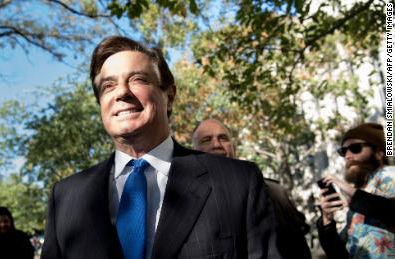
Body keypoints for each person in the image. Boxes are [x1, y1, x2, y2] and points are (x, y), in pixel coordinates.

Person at [42, 36, 282, 259]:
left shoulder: (237, 182)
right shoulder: (66, 198)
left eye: (137, 79)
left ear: (169, 95)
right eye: (108, 86)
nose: (122, 93)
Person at [192, 118, 312, 259]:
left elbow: (298, 247)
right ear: (194, 152)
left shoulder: (274, 192)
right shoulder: (185, 201)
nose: (216, 144)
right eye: (206, 140)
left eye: (223, 138)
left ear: (234, 147)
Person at [317, 122, 395, 258]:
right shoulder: (361, 191)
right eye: (343, 151)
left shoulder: (390, 174)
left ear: (378, 153)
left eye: (355, 148)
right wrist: (326, 220)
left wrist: (350, 191)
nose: (348, 156)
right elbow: (337, 253)